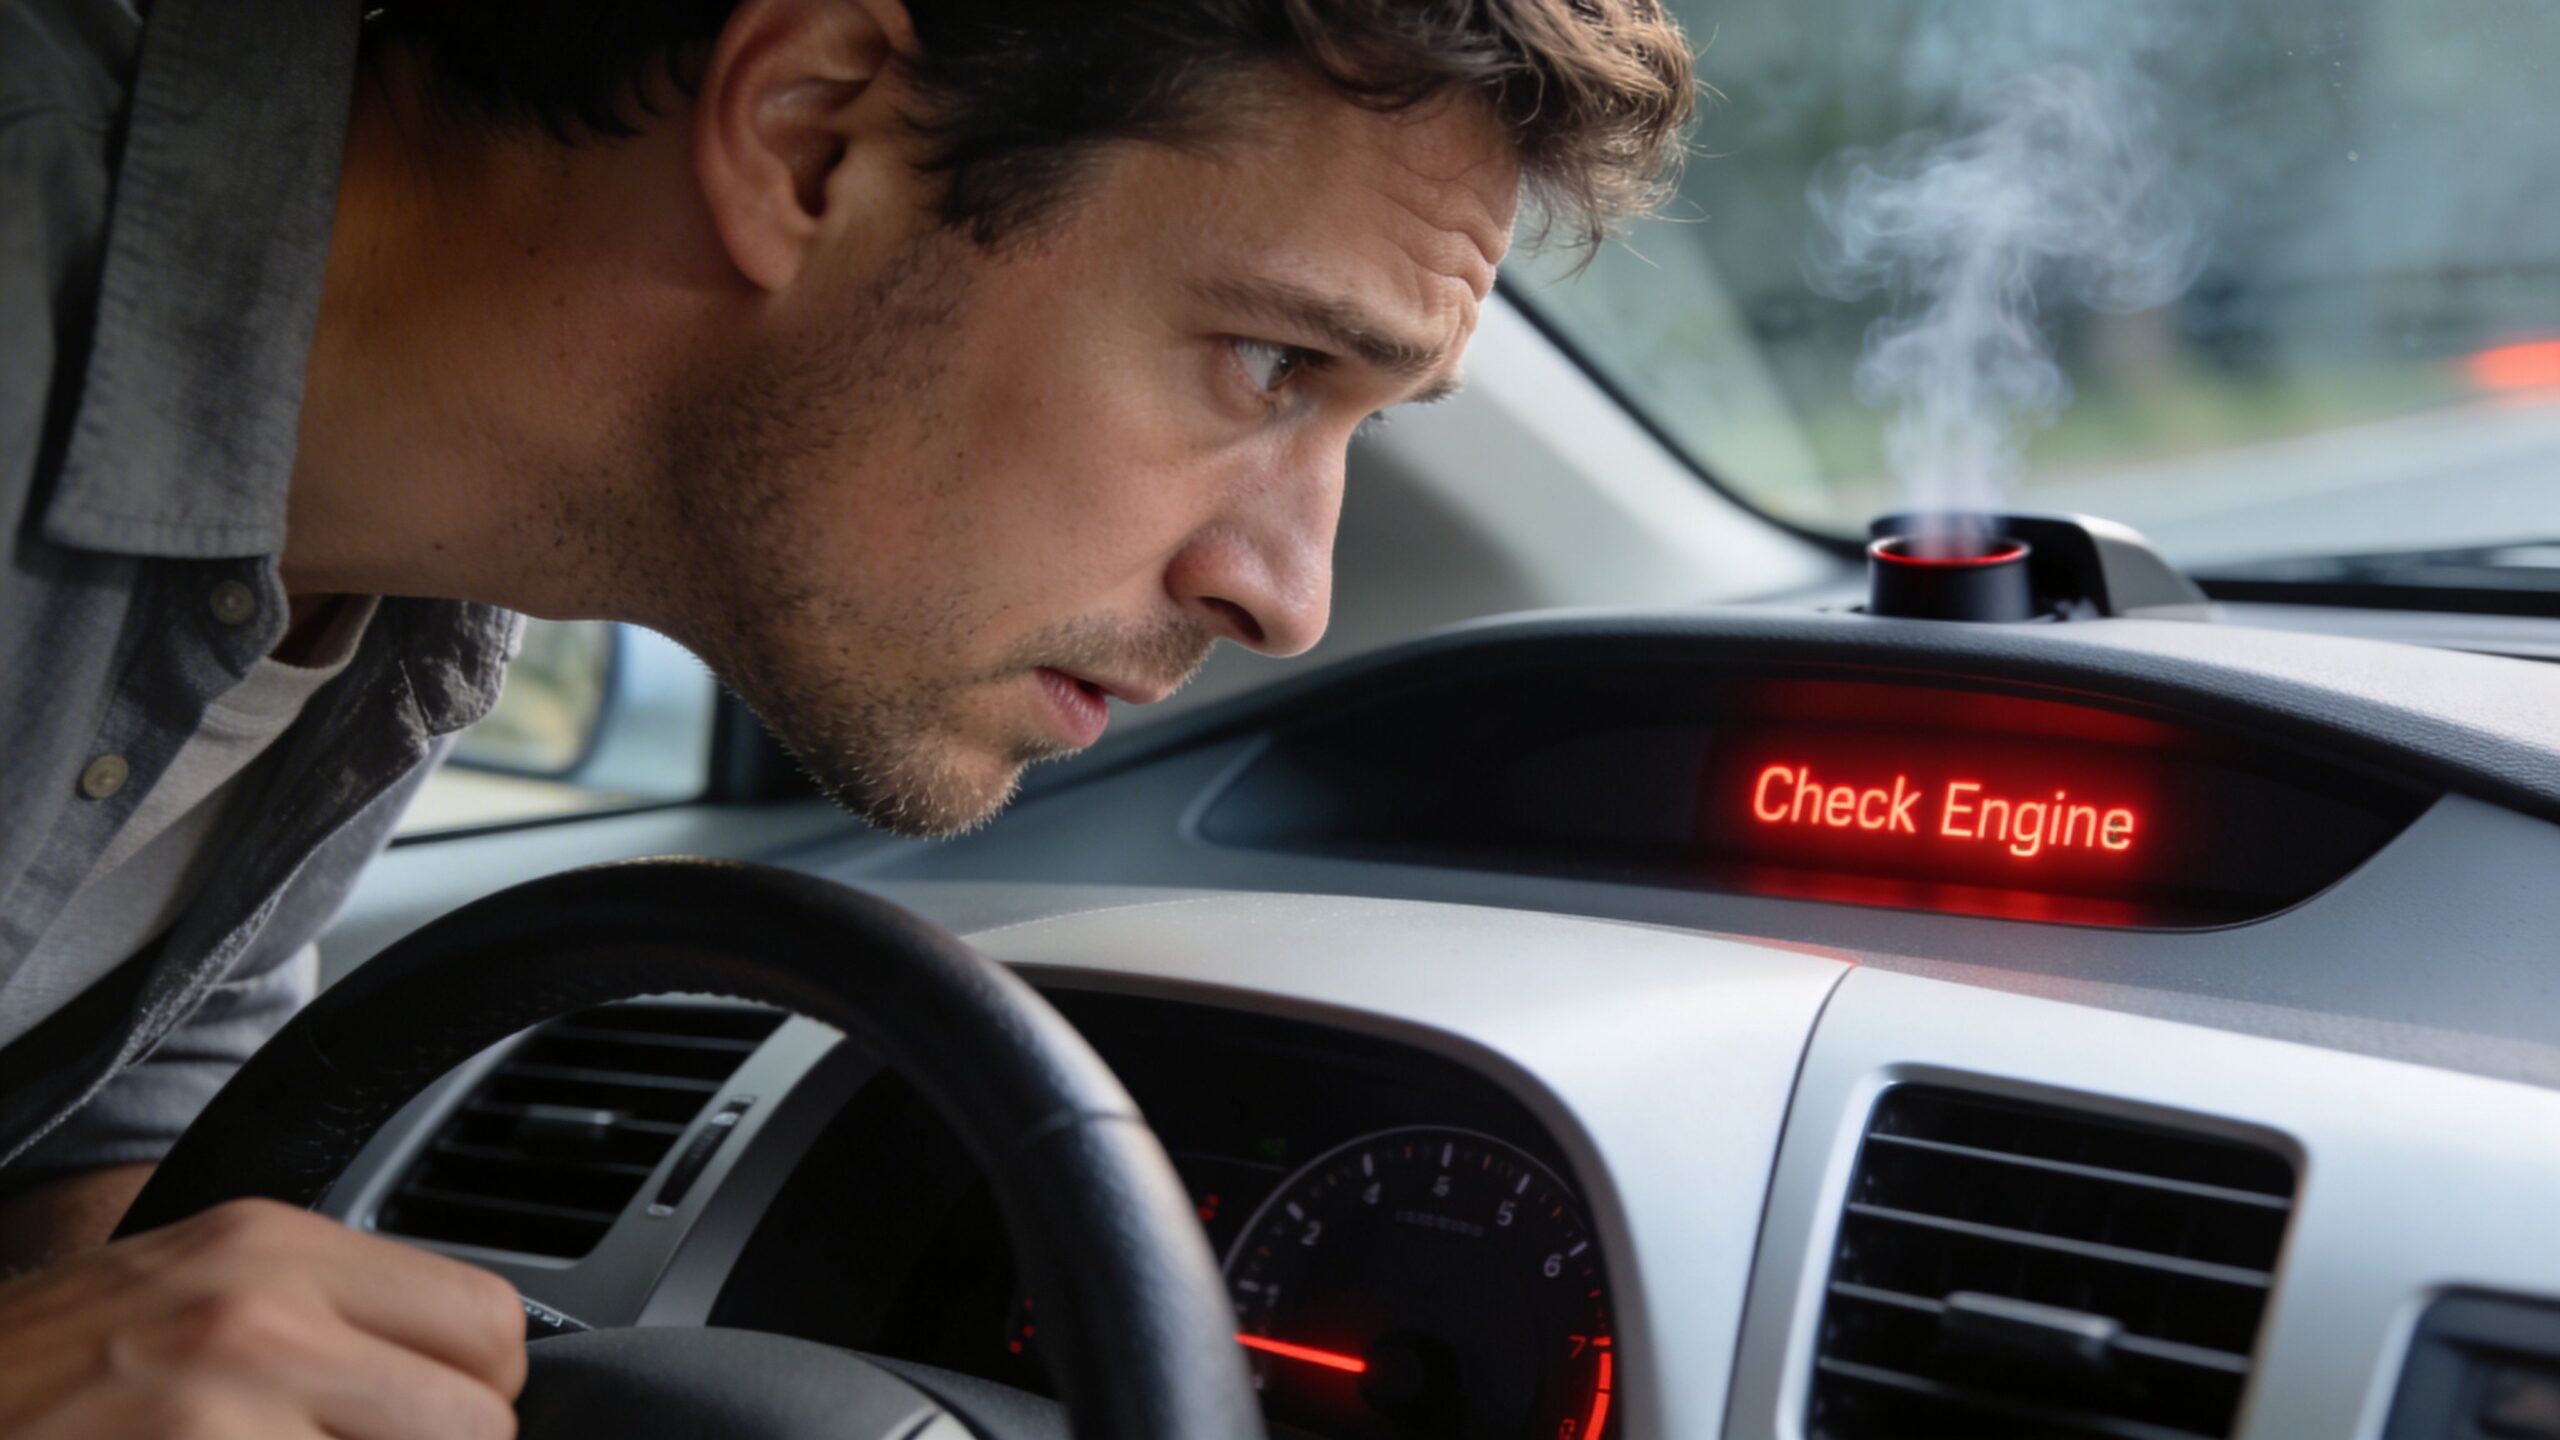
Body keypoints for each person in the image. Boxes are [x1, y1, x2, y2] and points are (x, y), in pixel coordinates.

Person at [0, 0, 1694, 1433]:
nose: (1288, 594)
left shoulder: (399, 582)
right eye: (1270, 365)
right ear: (813, 138)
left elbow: (100, 1169)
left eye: (1360, 423)